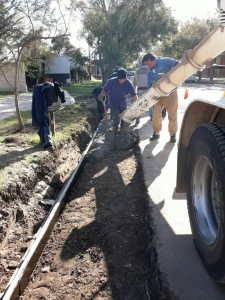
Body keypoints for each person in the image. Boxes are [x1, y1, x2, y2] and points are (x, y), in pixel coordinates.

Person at [142, 53, 179, 143]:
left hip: (171, 94)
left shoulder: (165, 61)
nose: (147, 66)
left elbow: (178, 64)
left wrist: (174, 77)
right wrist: (147, 95)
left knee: (172, 115)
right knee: (156, 115)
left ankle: (172, 134)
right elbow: (149, 85)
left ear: (151, 60)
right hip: (158, 96)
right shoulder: (149, 72)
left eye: (147, 64)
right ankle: (156, 133)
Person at [98, 68, 137, 134]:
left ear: (126, 78)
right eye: (120, 79)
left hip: (123, 104)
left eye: (123, 79)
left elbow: (134, 95)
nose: (121, 81)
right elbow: (105, 89)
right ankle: (115, 132)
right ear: (117, 77)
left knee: (124, 120)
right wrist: (102, 95)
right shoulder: (111, 81)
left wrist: (134, 104)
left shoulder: (128, 84)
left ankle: (122, 133)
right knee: (116, 120)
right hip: (113, 103)